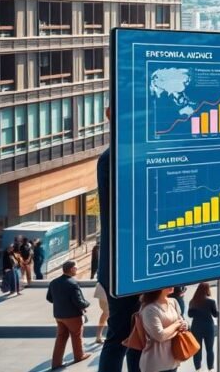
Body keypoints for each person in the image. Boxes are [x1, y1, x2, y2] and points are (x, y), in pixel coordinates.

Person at [96, 108, 142, 372]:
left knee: (134, 335)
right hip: (124, 266)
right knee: (122, 336)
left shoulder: (119, 156)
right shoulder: (115, 158)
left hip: (129, 263)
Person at [47, 260, 92, 368]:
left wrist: (61, 303)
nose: (77, 269)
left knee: (60, 338)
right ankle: (79, 356)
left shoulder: (54, 282)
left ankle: (56, 363)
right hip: (73, 316)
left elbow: (49, 298)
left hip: (59, 316)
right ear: (71, 269)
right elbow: (79, 302)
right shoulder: (73, 283)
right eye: (76, 268)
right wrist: (87, 304)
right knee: (77, 336)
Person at [138, 288, 186, 372]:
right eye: (166, 283)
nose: (171, 285)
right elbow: (160, 336)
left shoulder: (173, 301)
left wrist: (184, 325)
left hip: (173, 361)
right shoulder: (149, 309)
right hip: (156, 364)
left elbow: (181, 320)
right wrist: (176, 325)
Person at [188, 282, 218, 371]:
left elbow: (190, 315)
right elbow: (215, 314)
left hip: (196, 327)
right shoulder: (211, 301)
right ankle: (210, 368)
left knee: (197, 349)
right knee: (210, 349)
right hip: (208, 327)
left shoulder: (193, 301)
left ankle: (198, 369)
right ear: (207, 290)